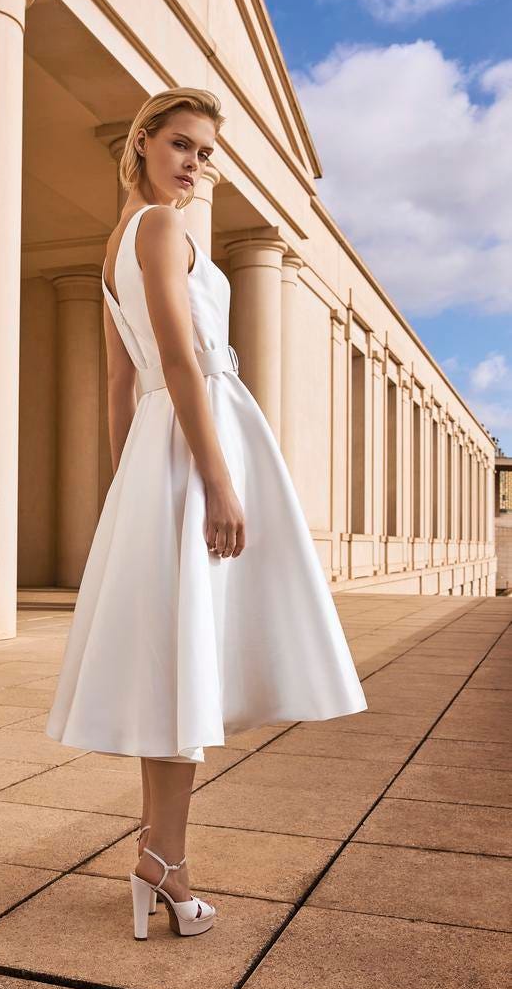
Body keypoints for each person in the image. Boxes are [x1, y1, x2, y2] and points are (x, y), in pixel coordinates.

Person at [44, 88, 367, 939]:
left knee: (177, 665)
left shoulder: (116, 242)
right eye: (181, 143)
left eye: (205, 152)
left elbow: (122, 385)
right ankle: (166, 862)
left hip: (165, 454)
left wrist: (130, 486)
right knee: (188, 663)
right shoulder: (158, 228)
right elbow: (179, 361)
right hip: (199, 446)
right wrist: (219, 483)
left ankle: (159, 853)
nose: (194, 163)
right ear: (142, 142)